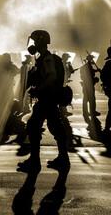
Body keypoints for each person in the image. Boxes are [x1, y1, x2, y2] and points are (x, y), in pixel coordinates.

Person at [17, 30, 70, 172]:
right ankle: (63, 158)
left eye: (35, 41)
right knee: (55, 127)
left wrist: (38, 89)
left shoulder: (47, 57)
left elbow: (52, 76)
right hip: (48, 99)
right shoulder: (42, 57)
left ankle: (35, 161)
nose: (33, 44)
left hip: (47, 98)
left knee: (33, 128)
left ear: (40, 41)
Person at [79, 53, 100, 121]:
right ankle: (91, 112)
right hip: (88, 85)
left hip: (88, 85)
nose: (93, 60)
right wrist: (94, 79)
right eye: (92, 59)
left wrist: (96, 70)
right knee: (89, 99)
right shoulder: (87, 67)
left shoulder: (87, 66)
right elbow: (87, 76)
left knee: (87, 99)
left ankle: (88, 112)